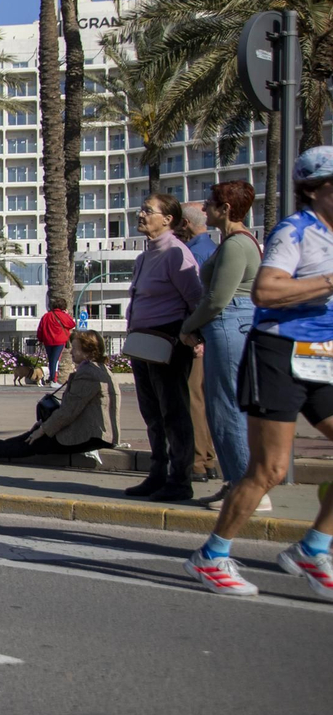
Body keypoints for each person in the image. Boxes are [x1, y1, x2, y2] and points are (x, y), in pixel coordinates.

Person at [185, 146, 333, 601]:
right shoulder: (297, 230)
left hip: (322, 356)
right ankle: (212, 555)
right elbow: (267, 290)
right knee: (269, 469)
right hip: (278, 354)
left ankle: (314, 547)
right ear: (315, 190)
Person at [178, 181, 265, 511]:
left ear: (225, 209)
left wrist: (188, 326)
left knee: (226, 406)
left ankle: (246, 487)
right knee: (223, 406)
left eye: (211, 202)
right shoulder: (233, 242)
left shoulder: (235, 245)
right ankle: (236, 483)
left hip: (229, 324)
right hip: (229, 325)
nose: (205, 207)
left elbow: (217, 299)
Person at [123, 193, 203, 502]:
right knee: (152, 413)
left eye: (148, 210)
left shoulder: (176, 253)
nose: (141, 214)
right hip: (142, 343)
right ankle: (157, 474)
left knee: (174, 412)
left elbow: (196, 300)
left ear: (167, 219)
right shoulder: (144, 257)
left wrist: (191, 335)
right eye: (141, 208)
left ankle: (180, 479)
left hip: (168, 342)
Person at [0, 330, 118, 462]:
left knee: (34, 440)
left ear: (88, 351)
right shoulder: (102, 370)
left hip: (91, 436)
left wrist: (44, 429)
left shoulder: (88, 373)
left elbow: (69, 411)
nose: (70, 351)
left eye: (75, 348)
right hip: (98, 434)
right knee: (33, 435)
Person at [177, 201, 221, 483]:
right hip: (211, 336)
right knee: (204, 401)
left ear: (185, 224)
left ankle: (196, 462)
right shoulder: (213, 250)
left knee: (191, 399)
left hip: (193, 337)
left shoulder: (190, 254)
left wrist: (192, 333)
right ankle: (208, 459)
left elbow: (200, 299)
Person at [35, 306, 74, 384]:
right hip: (60, 340)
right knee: (55, 360)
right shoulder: (62, 315)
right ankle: (53, 379)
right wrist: (67, 315)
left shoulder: (46, 316)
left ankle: (52, 377)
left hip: (48, 340)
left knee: (51, 359)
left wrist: (41, 339)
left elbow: (40, 329)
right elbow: (71, 324)